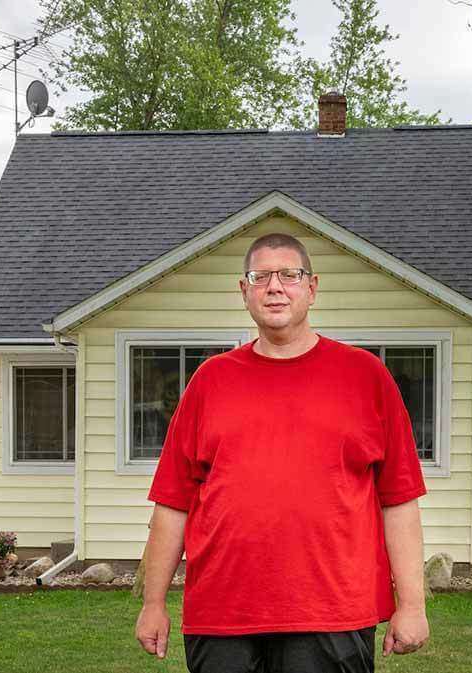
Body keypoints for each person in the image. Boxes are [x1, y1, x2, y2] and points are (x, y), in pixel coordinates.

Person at [135, 232, 430, 673]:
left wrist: (413, 604)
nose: (275, 286)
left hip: (332, 614)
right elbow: (173, 503)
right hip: (222, 615)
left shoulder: (366, 377)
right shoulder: (209, 382)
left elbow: (400, 500)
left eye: (290, 275)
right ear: (244, 291)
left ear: (311, 288)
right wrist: (153, 602)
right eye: (261, 276)